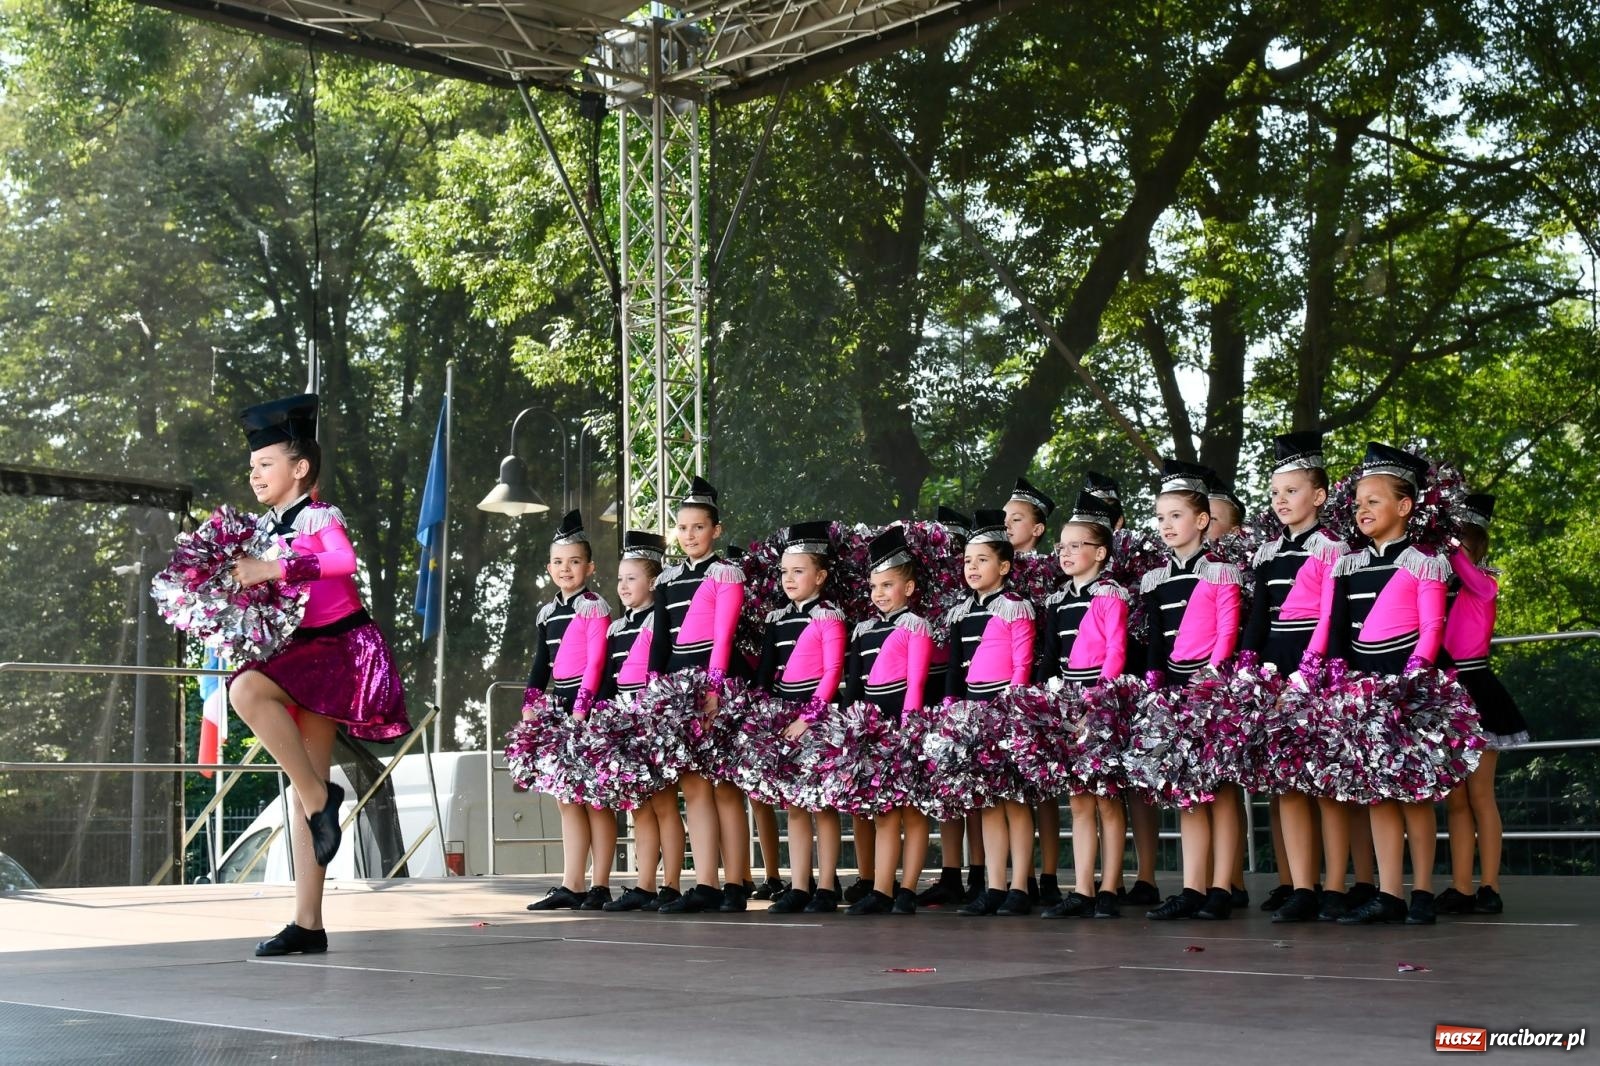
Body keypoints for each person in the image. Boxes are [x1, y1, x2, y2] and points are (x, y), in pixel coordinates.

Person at [227, 393, 410, 957]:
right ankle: (308, 920)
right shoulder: (263, 527)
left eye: (265, 464)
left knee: (247, 691)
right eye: (253, 465)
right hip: (296, 649)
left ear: (299, 468)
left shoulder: (317, 515)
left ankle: (310, 896)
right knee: (304, 792)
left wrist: (272, 567)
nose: (254, 473)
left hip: (338, 652)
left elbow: (343, 561)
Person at [1305, 443, 1455, 926]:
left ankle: (1424, 891)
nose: (1362, 510)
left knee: (1413, 793)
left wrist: (1410, 680)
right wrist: (1326, 677)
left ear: (1405, 506)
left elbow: (1432, 629)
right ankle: (1390, 892)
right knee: (1376, 792)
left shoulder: (1424, 561)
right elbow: (1335, 627)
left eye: (1374, 500)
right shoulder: (1347, 565)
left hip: (1408, 691)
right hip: (1361, 693)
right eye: (1357, 503)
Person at [1241, 432, 1348, 922]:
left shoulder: (1335, 549)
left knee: (1324, 779)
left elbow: (1333, 616)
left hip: (1318, 664)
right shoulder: (1265, 555)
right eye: (1275, 493)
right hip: (1273, 668)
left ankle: (1334, 885)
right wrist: (1249, 665)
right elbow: (1258, 617)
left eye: (1292, 491)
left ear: (1319, 496)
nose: (1280, 501)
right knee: (1285, 781)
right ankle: (1300, 885)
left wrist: (1314, 668)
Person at [1141, 460, 1243, 921]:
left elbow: (1226, 634)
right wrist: (1155, 690)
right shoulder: (1155, 581)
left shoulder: (1223, 572)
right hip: (1173, 698)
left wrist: (1212, 686)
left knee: (1219, 791)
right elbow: (1156, 643)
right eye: (1160, 517)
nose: (1166, 525)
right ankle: (1191, 887)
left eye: (1175, 516)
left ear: (1202, 521)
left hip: (1212, 695)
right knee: (1187, 793)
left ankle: (1222, 886)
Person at [645, 477, 748, 914]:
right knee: (693, 786)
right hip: (676, 690)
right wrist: (656, 690)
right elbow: (661, 641)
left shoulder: (725, 573)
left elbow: (723, 636)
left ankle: (736, 884)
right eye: (683, 528)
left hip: (717, 688)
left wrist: (714, 691)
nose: (689, 536)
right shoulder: (667, 580)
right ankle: (705, 881)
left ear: (716, 531)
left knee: (725, 787)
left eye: (698, 528)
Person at [515, 510, 616, 912]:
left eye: (574, 561)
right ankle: (571, 883)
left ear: (589, 567)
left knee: (595, 799)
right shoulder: (547, 612)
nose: (565, 569)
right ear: (548, 567)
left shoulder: (594, 607)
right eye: (558, 562)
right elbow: (541, 664)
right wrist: (531, 704)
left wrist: (582, 710)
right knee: (565, 798)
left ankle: (601, 884)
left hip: (590, 710)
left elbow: (596, 663)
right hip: (559, 710)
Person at [1036, 490, 1130, 919]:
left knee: (1107, 798)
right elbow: (1051, 656)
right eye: (1062, 546)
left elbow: (1115, 651)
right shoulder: (1057, 600)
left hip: (1100, 705)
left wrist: (1098, 704)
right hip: (1066, 707)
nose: (1067, 553)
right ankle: (1083, 888)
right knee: (1077, 800)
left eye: (1077, 545)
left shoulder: (1111, 595)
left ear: (1101, 552)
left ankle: (1109, 887)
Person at [1437, 494, 1528, 916]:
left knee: (1480, 795)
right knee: (1454, 800)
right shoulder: (1439, 583)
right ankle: (1459, 885)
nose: (1455, 550)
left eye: (1463, 543)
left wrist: (1451, 545)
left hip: (1477, 688)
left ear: (1477, 548)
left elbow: (1478, 582)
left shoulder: (1483, 582)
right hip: (1445, 689)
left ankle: (1489, 885)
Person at [944, 511, 1037, 917]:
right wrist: (951, 710)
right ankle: (995, 884)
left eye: (982, 560)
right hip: (972, 714)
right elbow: (954, 668)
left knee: (1015, 803)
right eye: (967, 560)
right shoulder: (960, 612)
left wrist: (1013, 709)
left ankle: (1020, 885)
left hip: (1006, 711)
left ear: (1003, 565)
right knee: (988, 802)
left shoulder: (1016, 607)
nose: (972, 568)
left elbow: (1022, 664)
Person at [843, 526, 936, 916]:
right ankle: (881, 889)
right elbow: (854, 682)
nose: (879, 594)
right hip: (872, 730)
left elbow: (916, 682)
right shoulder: (863, 630)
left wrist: (908, 730)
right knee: (882, 811)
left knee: (912, 811)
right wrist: (855, 725)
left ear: (910, 589)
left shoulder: (916, 625)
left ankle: (908, 889)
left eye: (888, 585)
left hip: (904, 727)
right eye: (874, 587)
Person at [758, 523, 849, 914]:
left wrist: (809, 718)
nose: (789, 579)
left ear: (821, 576)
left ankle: (827, 886)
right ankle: (799, 885)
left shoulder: (830, 616)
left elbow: (832, 673)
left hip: (818, 718)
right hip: (783, 720)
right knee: (794, 805)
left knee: (822, 805)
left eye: (798, 571)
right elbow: (766, 674)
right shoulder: (776, 619)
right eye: (784, 572)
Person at [599, 531, 688, 912]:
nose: (622, 586)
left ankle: (671, 884)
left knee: (665, 804)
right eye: (619, 579)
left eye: (631, 578)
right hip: (624, 722)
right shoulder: (617, 628)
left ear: (653, 582)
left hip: (653, 720)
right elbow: (607, 678)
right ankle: (645, 884)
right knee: (639, 806)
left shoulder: (661, 623)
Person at [1088, 471, 1161, 907]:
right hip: (1091, 673)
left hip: (1131, 669)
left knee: (1136, 783)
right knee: (1097, 785)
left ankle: (1146, 875)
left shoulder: (1138, 556)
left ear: (1116, 525)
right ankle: (1100, 877)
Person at [917, 506, 989, 907]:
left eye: (952, 543)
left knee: (974, 783)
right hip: (932, 684)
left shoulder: (971, 590)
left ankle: (980, 872)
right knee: (945, 784)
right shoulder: (922, 585)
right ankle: (949, 872)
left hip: (965, 684)